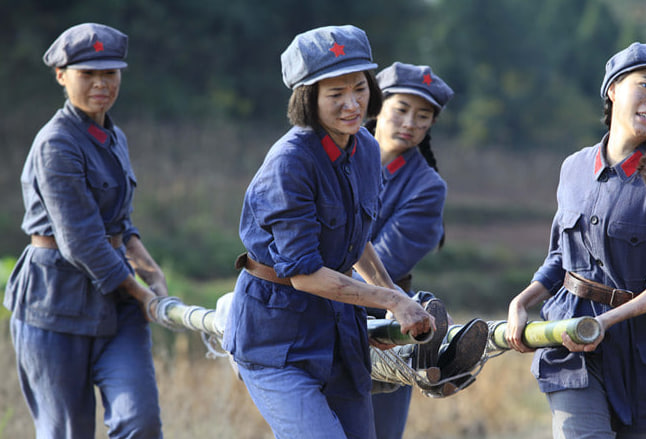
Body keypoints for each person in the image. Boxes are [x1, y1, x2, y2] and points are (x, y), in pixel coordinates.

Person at [220, 25, 434, 438]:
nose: (352, 104)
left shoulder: (366, 148)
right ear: (309, 100)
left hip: (339, 334)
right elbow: (304, 273)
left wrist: (397, 300)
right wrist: (390, 299)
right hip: (276, 340)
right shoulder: (290, 163)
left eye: (359, 88)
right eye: (336, 95)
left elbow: (356, 239)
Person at [505, 42, 646, 438]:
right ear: (613, 89)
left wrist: (605, 321)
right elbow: (562, 258)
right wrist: (522, 302)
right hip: (572, 348)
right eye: (645, 85)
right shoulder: (573, 168)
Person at [4, 23, 167, 438]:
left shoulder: (114, 136)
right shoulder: (55, 143)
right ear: (62, 76)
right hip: (54, 303)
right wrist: (142, 294)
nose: (101, 83)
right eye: (87, 73)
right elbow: (80, 239)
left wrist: (151, 270)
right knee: (67, 432)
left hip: (117, 309)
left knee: (141, 420)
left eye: (110, 73)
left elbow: (120, 224)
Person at [362, 62, 487, 438]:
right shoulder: (337, 157)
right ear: (378, 106)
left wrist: (315, 285)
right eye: (401, 109)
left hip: (382, 315)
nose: (410, 122)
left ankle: (437, 357)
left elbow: (381, 263)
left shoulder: (426, 187)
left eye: (423, 116)